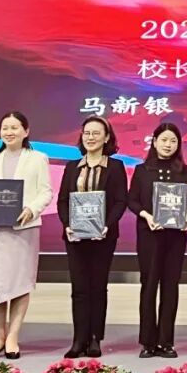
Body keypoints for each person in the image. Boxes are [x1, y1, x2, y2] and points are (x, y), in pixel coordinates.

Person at [0, 111, 53, 360]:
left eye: (14, 127)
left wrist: (32, 209)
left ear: (26, 131)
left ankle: (13, 337)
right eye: (5, 128)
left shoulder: (38, 158)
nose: (9, 132)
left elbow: (46, 192)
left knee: (20, 283)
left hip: (24, 230)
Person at [56, 117, 128, 359]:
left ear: (106, 137)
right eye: (87, 132)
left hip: (103, 237)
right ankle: (79, 339)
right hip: (75, 237)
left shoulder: (115, 167)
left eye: (96, 133)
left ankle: (96, 338)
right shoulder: (72, 167)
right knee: (79, 288)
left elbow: (120, 201)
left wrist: (106, 226)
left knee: (97, 287)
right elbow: (63, 200)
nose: (90, 137)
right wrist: (67, 225)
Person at [127, 123, 187, 359]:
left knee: (170, 286)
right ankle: (148, 342)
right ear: (154, 141)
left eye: (173, 141)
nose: (168, 145)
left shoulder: (184, 171)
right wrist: (147, 216)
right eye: (164, 140)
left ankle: (166, 342)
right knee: (149, 286)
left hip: (175, 237)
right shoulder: (142, 170)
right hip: (149, 235)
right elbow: (132, 201)